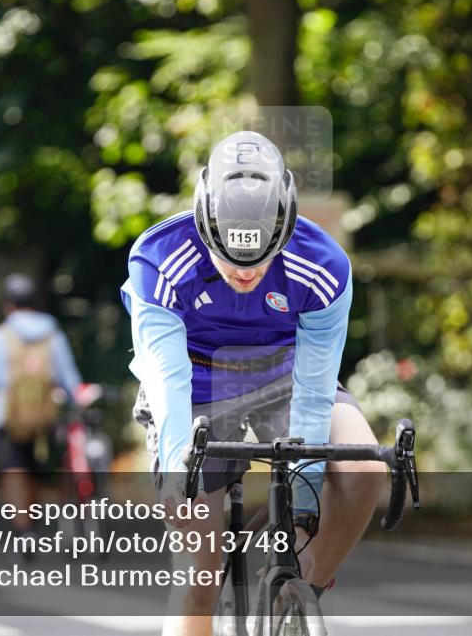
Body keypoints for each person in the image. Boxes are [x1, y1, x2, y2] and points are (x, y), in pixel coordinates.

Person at [121, 131, 385, 636]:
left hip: (287, 373)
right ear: (206, 226)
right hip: (195, 380)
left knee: (362, 465)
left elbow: (315, 382)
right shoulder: (157, 257)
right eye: (230, 262)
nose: (247, 275)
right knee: (200, 569)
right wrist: (180, 466)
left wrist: (304, 498)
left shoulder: (325, 265)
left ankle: (302, 590)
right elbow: (166, 374)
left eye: (262, 262)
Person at [0, 273, 82, 538]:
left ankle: (23, 529)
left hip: (6, 415)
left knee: (13, 467)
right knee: (37, 467)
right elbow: (70, 379)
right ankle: (34, 521)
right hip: (46, 412)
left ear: (8, 304)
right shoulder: (53, 335)